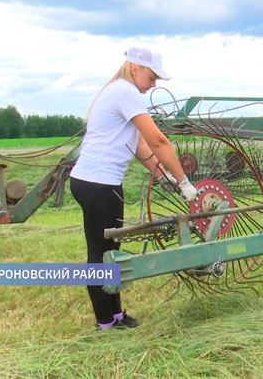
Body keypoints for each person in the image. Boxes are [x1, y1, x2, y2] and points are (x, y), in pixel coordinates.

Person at [69, 46, 197, 330]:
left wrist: (163, 176)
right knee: (99, 254)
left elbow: (139, 145)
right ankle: (104, 322)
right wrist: (184, 181)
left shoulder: (117, 91)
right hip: (97, 183)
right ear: (135, 68)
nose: (153, 86)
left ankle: (115, 315)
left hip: (98, 182)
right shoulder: (125, 91)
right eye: (152, 78)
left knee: (111, 250)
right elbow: (157, 141)